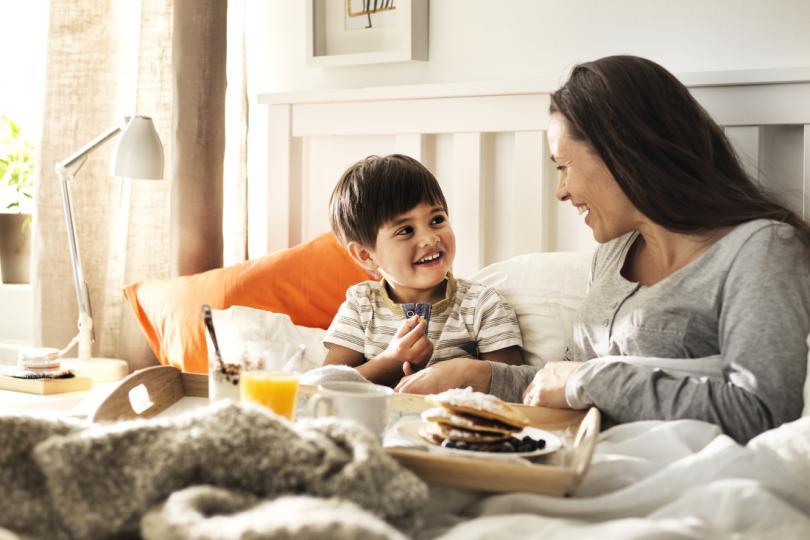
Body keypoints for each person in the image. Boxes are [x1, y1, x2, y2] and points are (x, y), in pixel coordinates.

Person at [395, 55, 810, 443]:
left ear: (621, 152)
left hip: (675, 471)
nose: (561, 191)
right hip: (579, 454)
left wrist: (591, 381)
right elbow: (561, 385)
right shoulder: (614, 254)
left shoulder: (760, 250)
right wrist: (479, 375)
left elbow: (763, 412)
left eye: (563, 166)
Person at [322, 154, 524, 387]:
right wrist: (391, 361)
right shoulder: (361, 305)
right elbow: (324, 385)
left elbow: (513, 387)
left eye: (437, 220)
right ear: (366, 256)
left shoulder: (482, 305)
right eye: (406, 230)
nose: (429, 238)